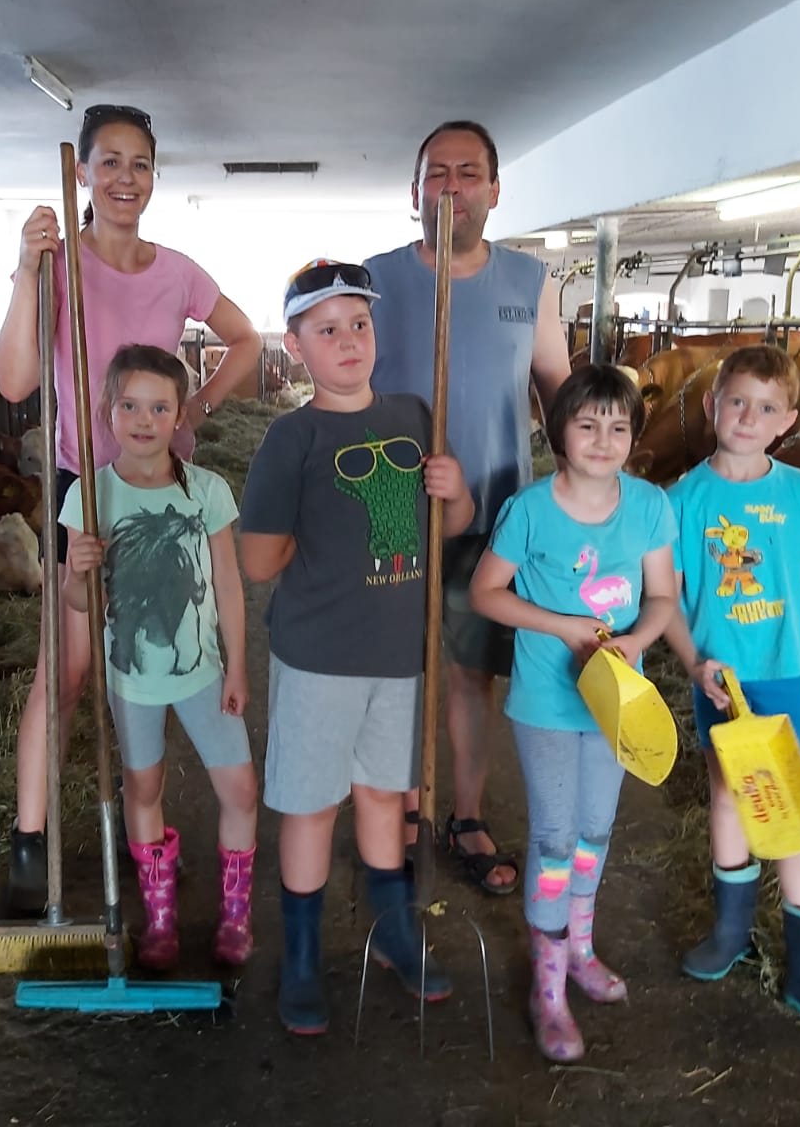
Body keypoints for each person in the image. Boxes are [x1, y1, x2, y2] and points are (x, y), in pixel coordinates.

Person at [0, 104, 259, 914]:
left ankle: (146, 819)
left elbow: (246, 338)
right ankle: (29, 840)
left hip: (164, 488)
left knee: (167, 638)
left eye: (139, 163)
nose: (124, 178)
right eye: (108, 161)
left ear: (154, 176)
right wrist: (27, 271)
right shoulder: (56, 264)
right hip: (85, 483)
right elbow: (13, 380)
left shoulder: (177, 271)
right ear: (82, 172)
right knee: (69, 668)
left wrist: (197, 408)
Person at [240, 260, 475, 1035]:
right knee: (313, 806)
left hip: (402, 655)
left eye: (360, 325)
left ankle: (395, 934)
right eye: (327, 329)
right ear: (295, 346)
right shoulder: (292, 437)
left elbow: (449, 526)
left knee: (383, 795)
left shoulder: (414, 414)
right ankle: (303, 956)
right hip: (319, 657)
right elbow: (258, 561)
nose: (348, 341)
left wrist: (454, 491)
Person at [368, 120, 572, 896]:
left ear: (494, 189)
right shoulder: (376, 279)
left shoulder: (530, 282)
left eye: (468, 173)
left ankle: (466, 813)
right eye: (437, 173)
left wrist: (589, 478)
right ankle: (405, 809)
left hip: (496, 516)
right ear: (414, 189)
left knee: (468, 673)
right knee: (396, 672)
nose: (451, 187)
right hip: (391, 510)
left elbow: (556, 390)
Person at [662, 345, 800, 1039]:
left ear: (787, 422)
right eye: (736, 402)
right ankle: (732, 934)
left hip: (786, 674)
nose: (747, 418)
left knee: (794, 804)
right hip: (721, 679)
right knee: (728, 792)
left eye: (765, 408)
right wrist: (695, 664)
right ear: (711, 405)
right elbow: (668, 599)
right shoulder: (681, 500)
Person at [468, 365, 676, 1062]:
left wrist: (635, 644)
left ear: (634, 437)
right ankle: (548, 985)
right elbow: (486, 593)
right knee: (555, 838)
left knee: (595, 829)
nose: (603, 439)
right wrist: (563, 627)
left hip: (618, 700)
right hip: (549, 702)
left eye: (618, 427)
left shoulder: (649, 506)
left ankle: (580, 948)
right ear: (559, 432)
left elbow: (662, 597)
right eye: (588, 425)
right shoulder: (530, 510)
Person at [58, 345, 259, 968]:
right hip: (131, 680)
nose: (144, 420)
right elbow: (77, 600)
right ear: (107, 412)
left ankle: (235, 916)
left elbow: (227, 584)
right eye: (130, 406)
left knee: (240, 789)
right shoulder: (89, 497)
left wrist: (237, 664)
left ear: (180, 415)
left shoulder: (207, 491)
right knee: (142, 786)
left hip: (203, 673)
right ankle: (161, 918)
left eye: (159, 407)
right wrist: (77, 570)